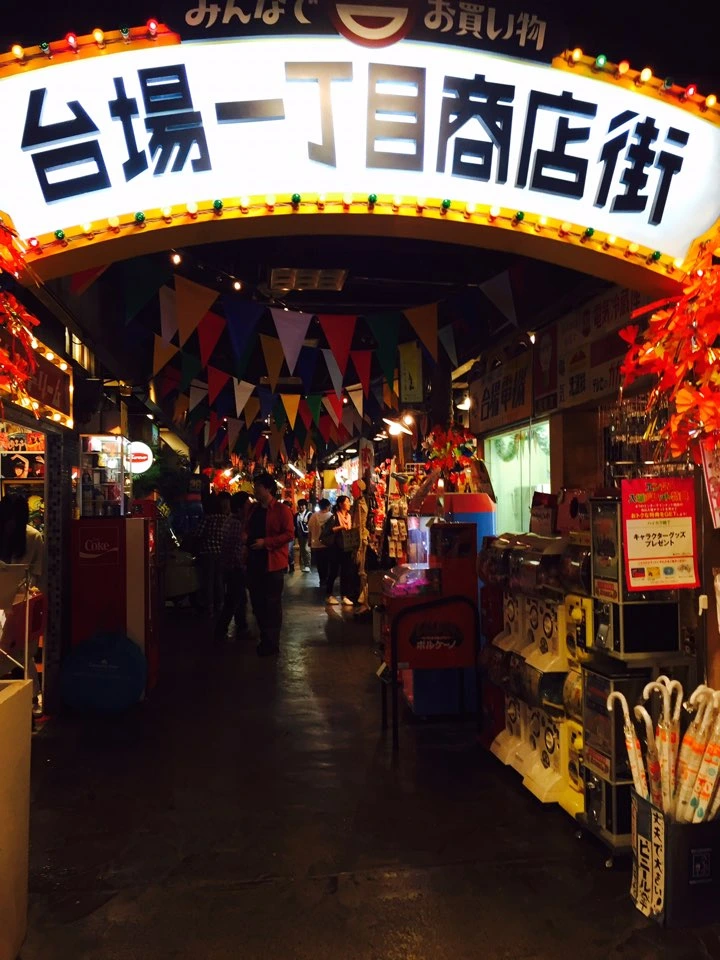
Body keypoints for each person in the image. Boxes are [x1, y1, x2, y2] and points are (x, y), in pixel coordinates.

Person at [0, 493, 44, 711]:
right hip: (10, 598)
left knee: (20, 650)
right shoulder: (30, 536)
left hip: (20, 601)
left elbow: (37, 575)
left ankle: (31, 696)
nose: (10, 524)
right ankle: (31, 696)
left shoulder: (32, 537)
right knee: (18, 650)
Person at [245, 474, 294, 656]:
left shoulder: (282, 510)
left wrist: (265, 543)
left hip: (273, 563)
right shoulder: (253, 509)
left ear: (268, 488)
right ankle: (265, 638)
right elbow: (246, 528)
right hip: (253, 561)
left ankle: (271, 643)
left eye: (258, 486)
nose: (255, 489)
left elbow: (289, 534)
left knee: (272, 604)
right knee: (257, 603)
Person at [216, 491, 250, 642]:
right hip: (234, 568)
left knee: (239, 599)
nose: (250, 507)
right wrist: (241, 566)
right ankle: (220, 630)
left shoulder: (230, 521)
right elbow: (234, 548)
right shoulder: (236, 523)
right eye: (247, 504)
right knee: (233, 600)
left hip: (229, 567)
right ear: (240, 508)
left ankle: (242, 627)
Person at [196, 494, 229, 619]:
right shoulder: (224, 519)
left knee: (208, 581)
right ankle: (220, 604)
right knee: (219, 579)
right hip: (221, 552)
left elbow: (198, 533)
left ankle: (209, 607)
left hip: (207, 553)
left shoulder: (207, 519)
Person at [325, 495, 358, 607]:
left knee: (346, 572)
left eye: (349, 501)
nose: (349, 504)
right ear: (340, 504)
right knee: (333, 572)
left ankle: (345, 596)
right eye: (347, 502)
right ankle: (329, 595)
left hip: (347, 548)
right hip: (335, 548)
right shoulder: (334, 517)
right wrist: (340, 527)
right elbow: (328, 530)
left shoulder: (350, 516)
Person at [308, 498, 332, 590]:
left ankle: (322, 580)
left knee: (320, 563)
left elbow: (310, 530)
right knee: (328, 563)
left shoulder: (313, 516)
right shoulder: (331, 516)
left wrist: (309, 542)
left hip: (316, 544)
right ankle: (327, 580)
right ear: (328, 506)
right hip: (328, 544)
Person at [295, 498, 312, 573]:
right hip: (300, 536)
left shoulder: (309, 514)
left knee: (306, 549)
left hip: (307, 535)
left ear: (305, 506)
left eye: (303, 505)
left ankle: (308, 566)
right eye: (300, 505)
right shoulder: (296, 515)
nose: (301, 507)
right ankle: (305, 565)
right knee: (302, 550)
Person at [283, 499, 296, 573]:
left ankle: (291, 565)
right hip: (284, 535)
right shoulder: (281, 513)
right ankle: (286, 566)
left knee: (288, 551)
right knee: (286, 551)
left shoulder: (291, 513)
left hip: (289, 535)